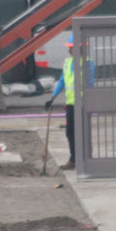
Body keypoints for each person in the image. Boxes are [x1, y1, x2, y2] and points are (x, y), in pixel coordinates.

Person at [45, 35, 95, 170]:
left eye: (74, 48)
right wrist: (53, 97)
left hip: (83, 104)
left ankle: (86, 159)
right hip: (71, 104)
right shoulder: (68, 62)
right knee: (70, 132)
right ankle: (74, 159)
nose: (71, 50)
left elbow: (90, 84)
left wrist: (89, 102)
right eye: (70, 48)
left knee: (83, 132)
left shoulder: (87, 63)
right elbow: (62, 81)